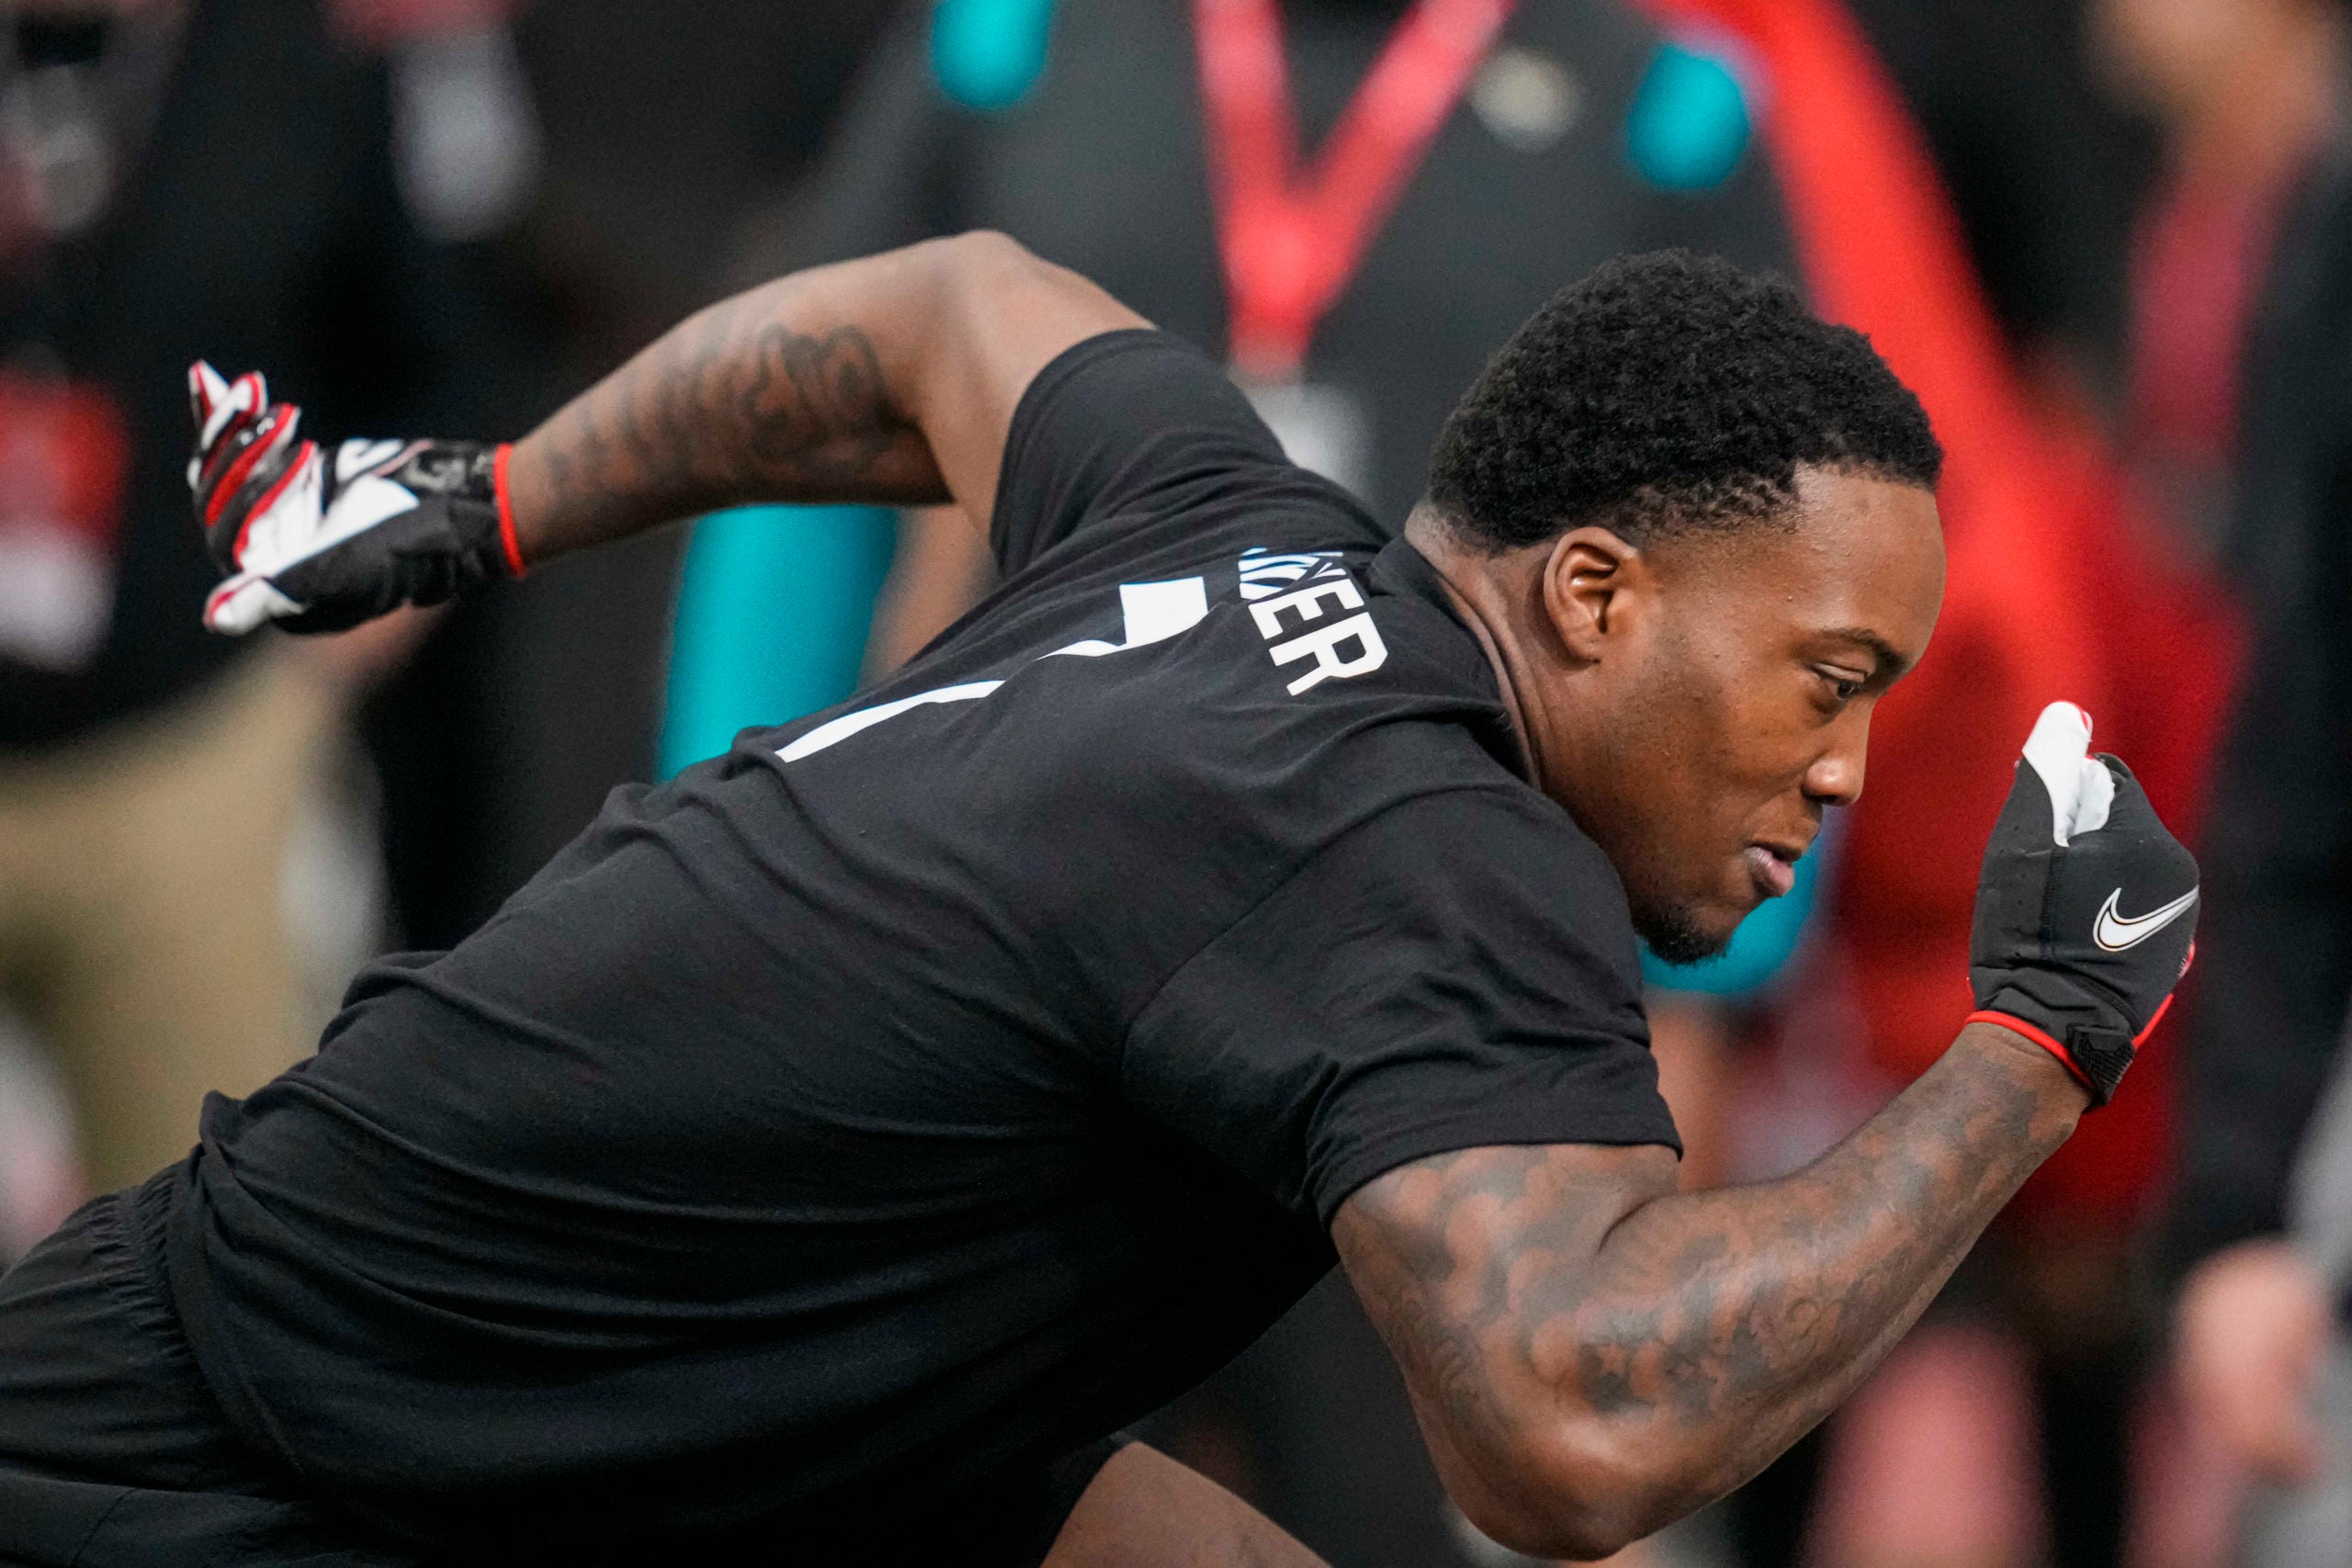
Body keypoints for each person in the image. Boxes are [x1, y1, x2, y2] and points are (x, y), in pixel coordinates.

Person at [0, 237, 2199, 1566]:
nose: (1844, 761)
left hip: (528, 1383)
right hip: (270, 1468)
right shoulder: (1423, 848)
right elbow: (1575, 1423)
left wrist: (469, 502)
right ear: (1594, 596)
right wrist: (2036, 1043)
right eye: (1830, 680)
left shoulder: (1217, 513)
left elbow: (934, 308)